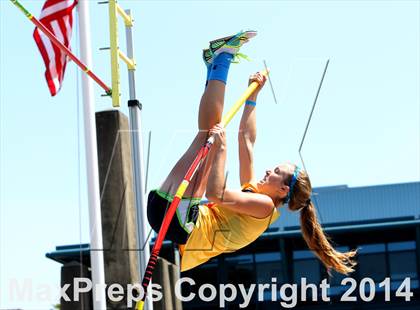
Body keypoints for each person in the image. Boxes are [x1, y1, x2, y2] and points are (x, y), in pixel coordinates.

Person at [147, 30, 356, 274]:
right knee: (206, 135)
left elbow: (216, 194)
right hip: (170, 214)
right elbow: (247, 139)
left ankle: (221, 60)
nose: (269, 170)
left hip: (182, 228)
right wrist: (252, 98)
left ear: (283, 189)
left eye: (276, 171)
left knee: (211, 140)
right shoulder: (254, 194)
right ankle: (216, 65)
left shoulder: (265, 207)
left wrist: (221, 149)